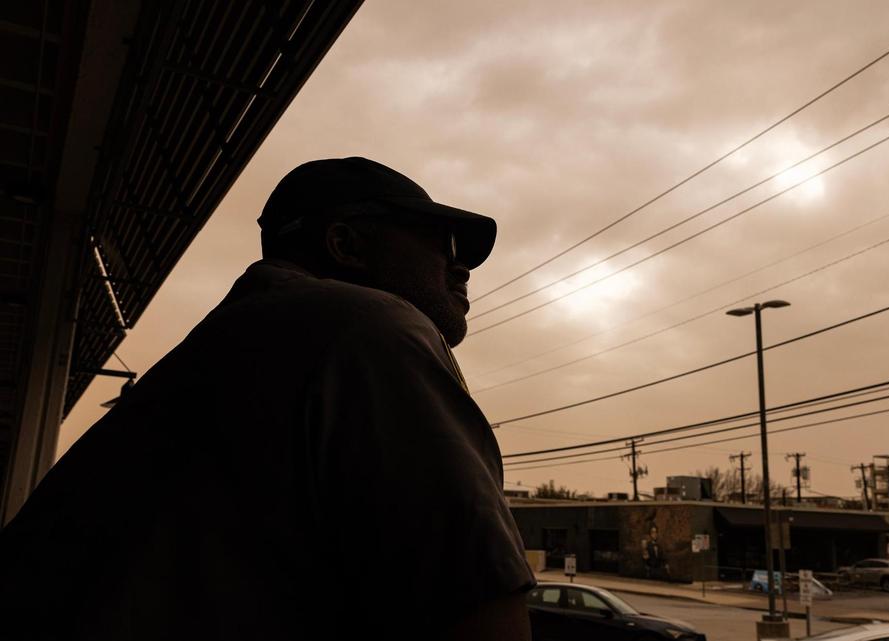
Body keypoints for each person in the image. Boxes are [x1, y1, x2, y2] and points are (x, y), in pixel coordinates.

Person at [0, 158, 535, 640]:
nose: (461, 267)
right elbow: (476, 609)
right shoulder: (368, 325)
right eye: (440, 244)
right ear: (345, 245)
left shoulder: (215, 354)